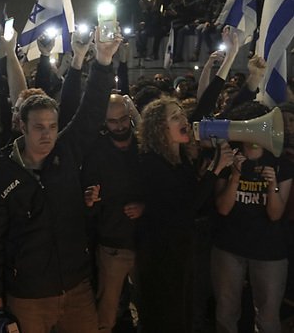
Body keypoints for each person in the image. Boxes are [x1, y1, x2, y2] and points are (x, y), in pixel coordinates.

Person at [0, 27, 120, 333]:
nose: (47, 134)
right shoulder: (0, 177)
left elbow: (90, 112)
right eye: (39, 127)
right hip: (29, 295)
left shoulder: (65, 154)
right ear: (22, 128)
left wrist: (104, 62)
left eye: (53, 126)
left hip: (76, 287)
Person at [135, 97, 233, 333]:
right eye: (175, 117)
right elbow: (183, 208)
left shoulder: (182, 159)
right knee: (165, 316)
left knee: (183, 312)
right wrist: (215, 170)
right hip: (161, 256)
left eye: (182, 114)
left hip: (182, 251)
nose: (184, 120)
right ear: (160, 127)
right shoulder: (151, 162)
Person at [211, 101, 293, 333]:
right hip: (229, 246)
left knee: (267, 317)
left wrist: (272, 187)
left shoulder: (280, 165)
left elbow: (275, 214)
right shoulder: (228, 160)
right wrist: (235, 177)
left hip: (269, 251)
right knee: (226, 312)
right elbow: (223, 208)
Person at [82, 94, 144, 333]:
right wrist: (90, 200)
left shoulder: (143, 148)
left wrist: (145, 207)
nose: (119, 126)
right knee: (106, 312)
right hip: (112, 242)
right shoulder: (97, 152)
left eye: (123, 119)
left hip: (143, 239)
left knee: (150, 303)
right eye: (112, 121)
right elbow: (89, 197)